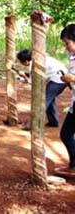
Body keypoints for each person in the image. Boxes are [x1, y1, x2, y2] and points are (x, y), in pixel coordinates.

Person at [17, 49, 68, 127]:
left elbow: (34, 83)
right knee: (49, 99)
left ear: (26, 61)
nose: (20, 63)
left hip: (58, 80)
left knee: (43, 101)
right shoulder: (39, 58)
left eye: (21, 62)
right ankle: (53, 122)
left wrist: (23, 75)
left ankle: (33, 124)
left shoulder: (33, 66)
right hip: (62, 77)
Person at [56, 24, 75, 175]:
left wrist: (72, 78)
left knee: (67, 134)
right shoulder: (72, 57)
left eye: (67, 43)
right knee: (66, 134)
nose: (66, 47)